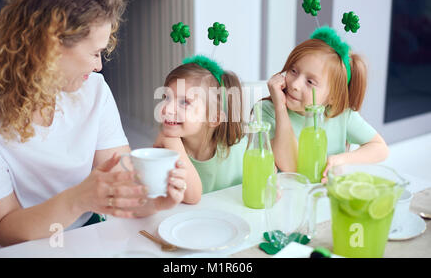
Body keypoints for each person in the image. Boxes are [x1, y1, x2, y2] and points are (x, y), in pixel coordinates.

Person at [0, 0, 187, 248]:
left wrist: (156, 200)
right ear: (51, 44)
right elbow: (2, 227)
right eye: (94, 52)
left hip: (85, 237)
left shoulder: (94, 92)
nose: (98, 65)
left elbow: (122, 187)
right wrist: (78, 198)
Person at [260, 26, 389, 178]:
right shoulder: (268, 111)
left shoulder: (341, 115)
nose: (295, 84)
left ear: (333, 96)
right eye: (293, 71)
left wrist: (340, 160)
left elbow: (380, 148)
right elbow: (291, 166)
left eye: (310, 81)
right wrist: (280, 107)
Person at [153, 55, 248, 194]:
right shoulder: (165, 147)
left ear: (214, 118)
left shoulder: (242, 150)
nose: (166, 109)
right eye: (166, 97)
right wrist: (173, 144)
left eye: (184, 102)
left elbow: (269, 176)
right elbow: (189, 196)